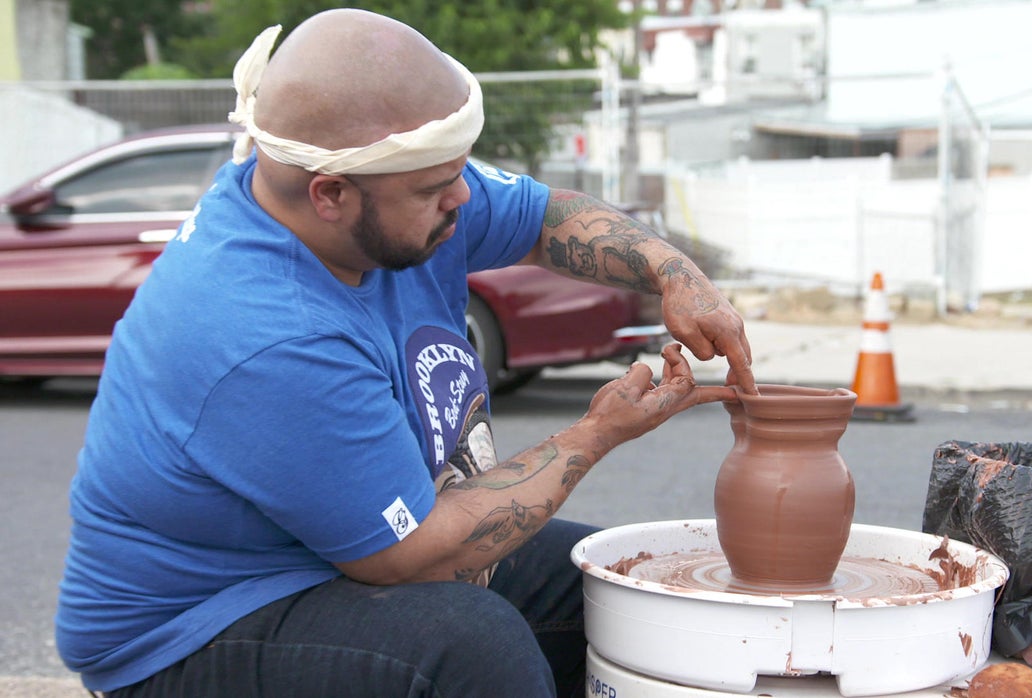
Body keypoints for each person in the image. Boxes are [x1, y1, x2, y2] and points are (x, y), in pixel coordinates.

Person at [55, 8, 757, 697]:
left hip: (319, 557)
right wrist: (598, 432)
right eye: (435, 187)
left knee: (609, 590)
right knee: (471, 647)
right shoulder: (267, 330)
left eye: (457, 171)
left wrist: (675, 273)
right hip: (192, 629)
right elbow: (410, 557)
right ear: (330, 194)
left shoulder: (387, 196)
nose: (463, 196)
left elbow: (543, 217)